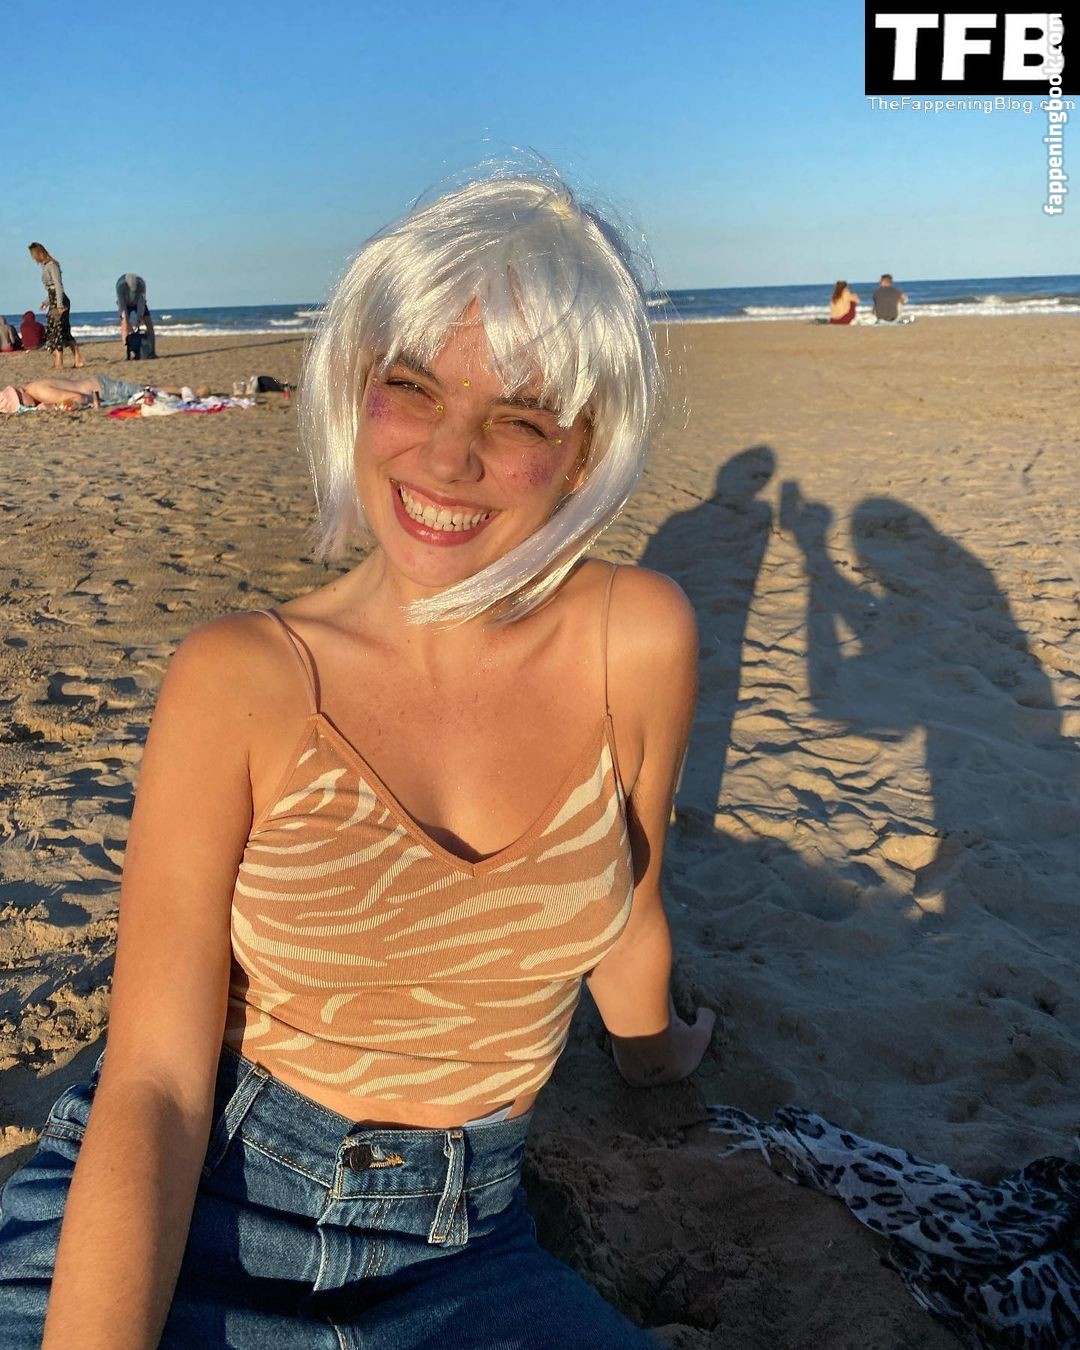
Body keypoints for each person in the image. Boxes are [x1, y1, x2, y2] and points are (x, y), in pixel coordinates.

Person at [0, 171, 715, 1348]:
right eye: (412, 386)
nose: (448, 454)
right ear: (356, 386)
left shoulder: (634, 639)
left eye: (522, 417)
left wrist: (659, 1056)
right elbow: (157, 1084)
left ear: (587, 451)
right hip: (207, 1196)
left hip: (465, 1246)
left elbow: (630, 905)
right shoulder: (242, 677)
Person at [0, 374, 210, 412]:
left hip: (103, 390)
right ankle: (186, 391)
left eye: (21, 403)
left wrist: (54, 407)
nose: (26, 407)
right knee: (145, 390)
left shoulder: (39, 391)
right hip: (100, 387)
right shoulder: (35, 388)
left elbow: (78, 398)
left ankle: (190, 391)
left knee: (147, 391)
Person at [27, 242, 84, 369]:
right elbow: (51, 289)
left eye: (33, 255)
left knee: (57, 330)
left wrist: (59, 305)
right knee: (62, 331)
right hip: (54, 300)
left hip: (59, 301)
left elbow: (58, 286)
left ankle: (59, 361)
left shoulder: (52, 266)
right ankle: (77, 358)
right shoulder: (46, 266)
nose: (33, 259)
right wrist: (46, 302)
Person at [115, 273, 156, 353]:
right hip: (125, 303)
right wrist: (126, 320)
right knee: (124, 323)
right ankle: (127, 349)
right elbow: (122, 307)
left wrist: (139, 319)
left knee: (148, 322)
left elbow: (141, 303)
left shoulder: (142, 285)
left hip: (138, 302)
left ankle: (152, 351)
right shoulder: (120, 287)